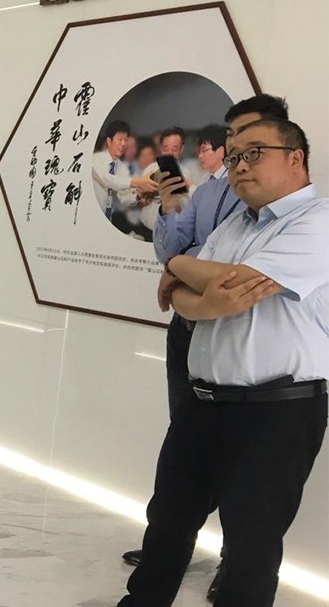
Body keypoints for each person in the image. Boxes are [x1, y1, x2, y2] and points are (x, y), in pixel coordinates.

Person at [119, 117, 327, 606]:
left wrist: (178, 268)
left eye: (253, 153)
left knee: (250, 547)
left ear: (295, 157)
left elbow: (226, 282)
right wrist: (202, 297)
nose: (239, 166)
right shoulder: (234, 224)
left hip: (276, 411)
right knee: (166, 525)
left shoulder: (318, 221)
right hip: (201, 404)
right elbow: (185, 299)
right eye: (233, 157)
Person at [91, 120, 158, 235]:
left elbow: (124, 197)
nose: (123, 144)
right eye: (120, 139)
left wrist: (138, 196)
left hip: (108, 221)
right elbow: (106, 180)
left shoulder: (122, 168)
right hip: (92, 219)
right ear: (109, 141)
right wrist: (138, 181)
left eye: (125, 140)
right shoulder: (96, 159)